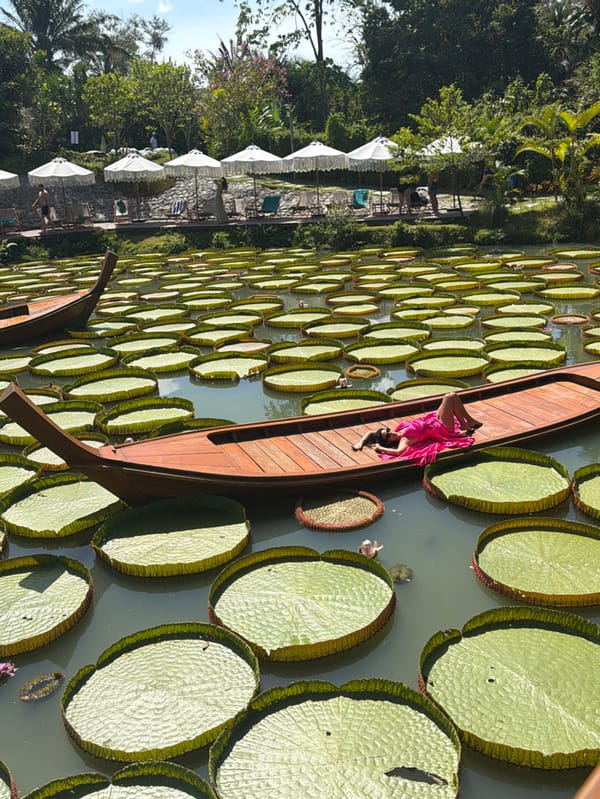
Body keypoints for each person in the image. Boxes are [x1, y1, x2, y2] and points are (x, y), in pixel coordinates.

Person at [351, 392, 483, 465]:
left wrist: (360, 443)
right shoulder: (404, 440)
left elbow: (370, 432)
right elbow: (398, 453)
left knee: (452, 397)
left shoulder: (397, 431)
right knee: (450, 397)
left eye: (388, 430)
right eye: (389, 435)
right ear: (390, 441)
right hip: (442, 429)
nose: (391, 432)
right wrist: (380, 448)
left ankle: (467, 422)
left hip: (433, 420)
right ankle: (467, 422)